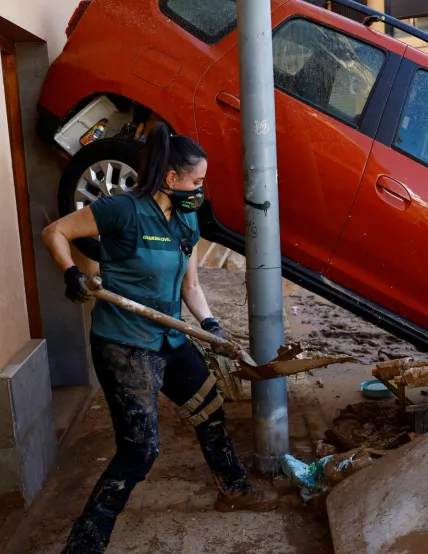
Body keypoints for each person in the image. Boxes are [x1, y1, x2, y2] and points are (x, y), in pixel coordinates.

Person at [42, 123, 278, 554]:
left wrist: (209, 326)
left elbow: (189, 286)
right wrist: (73, 273)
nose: (200, 189)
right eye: (196, 181)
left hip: (169, 338)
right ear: (171, 179)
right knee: (140, 450)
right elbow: (54, 231)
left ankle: (232, 486)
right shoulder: (122, 210)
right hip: (125, 345)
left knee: (210, 410)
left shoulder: (187, 218)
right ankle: (87, 538)